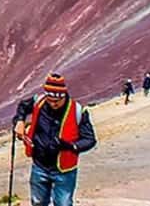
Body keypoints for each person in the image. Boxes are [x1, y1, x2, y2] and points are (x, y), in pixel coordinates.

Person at [13, 73, 97, 206]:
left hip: (64, 170)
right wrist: (19, 121)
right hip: (39, 165)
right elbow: (22, 106)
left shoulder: (78, 111)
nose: (53, 104)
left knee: (63, 203)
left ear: (63, 95)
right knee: (38, 202)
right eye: (50, 100)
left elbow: (90, 139)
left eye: (56, 101)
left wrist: (70, 146)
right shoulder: (38, 102)